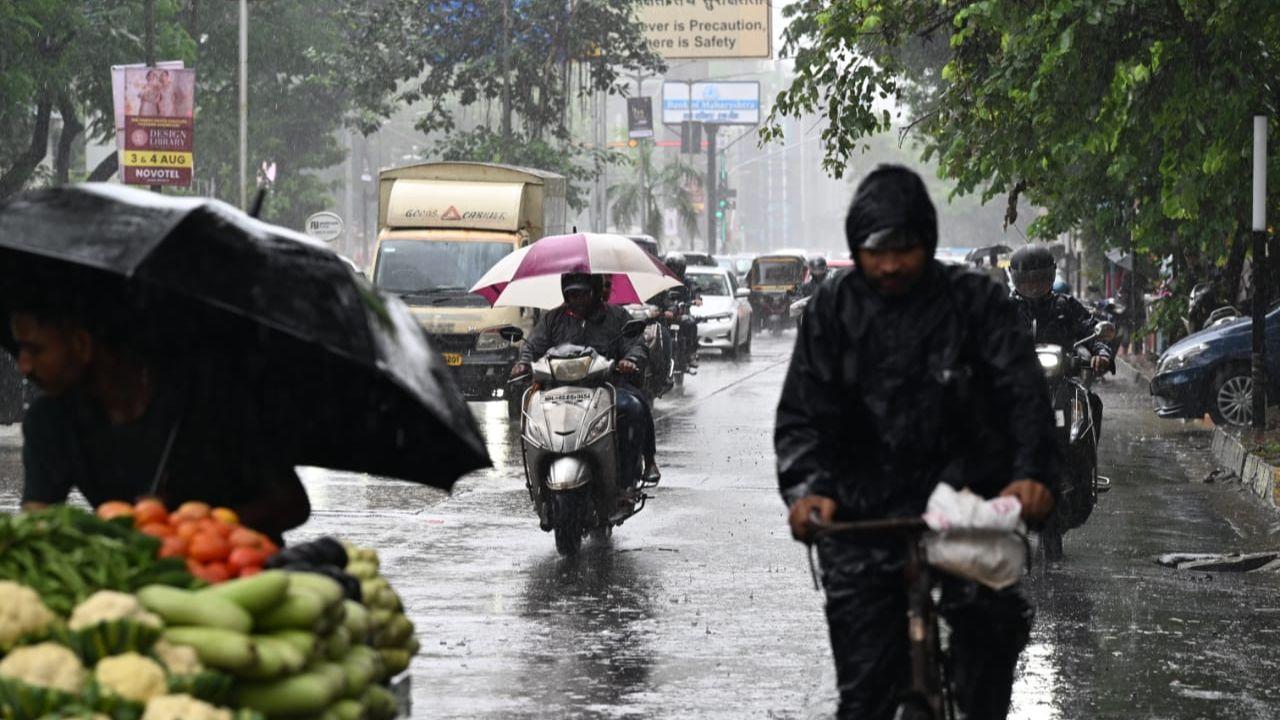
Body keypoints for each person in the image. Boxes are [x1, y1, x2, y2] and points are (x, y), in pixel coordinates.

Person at [775, 165, 1060, 720]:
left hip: (967, 504)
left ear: (925, 243)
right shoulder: (833, 310)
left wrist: (1032, 473)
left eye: (903, 249)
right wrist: (809, 489)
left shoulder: (976, 302)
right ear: (856, 248)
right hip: (860, 516)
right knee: (864, 695)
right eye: (874, 251)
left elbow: (1022, 396)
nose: (889, 264)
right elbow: (803, 416)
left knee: (990, 643)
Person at [11, 293, 310, 542]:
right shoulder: (49, 420)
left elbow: (291, 504)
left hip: (235, 567)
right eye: (19, 350)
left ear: (82, 344)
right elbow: (39, 521)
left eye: (35, 350)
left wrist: (192, 529)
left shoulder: (208, 398)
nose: (23, 366)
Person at [511, 273, 660, 486]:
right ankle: (536, 483)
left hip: (608, 386)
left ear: (596, 292)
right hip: (558, 390)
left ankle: (631, 477)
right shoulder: (552, 319)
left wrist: (630, 360)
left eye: (583, 294)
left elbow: (635, 344)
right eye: (572, 294)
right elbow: (533, 346)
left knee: (635, 407)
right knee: (529, 412)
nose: (577, 300)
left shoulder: (617, 316)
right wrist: (523, 363)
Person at [1008, 245, 1113, 375]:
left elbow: (1091, 329)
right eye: (1026, 280)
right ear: (1015, 277)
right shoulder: (1003, 308)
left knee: (1087, 396)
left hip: (1064, 377)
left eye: (1040, 279)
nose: (1034, 286)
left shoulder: (1066, 305)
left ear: (1051, 275)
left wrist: (1101, 354)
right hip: (1014, 380)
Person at [658, 252, 700, 371]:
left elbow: (694, 288)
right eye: (671, 267)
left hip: (682, 312)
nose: (673, 270)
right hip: (666, 313)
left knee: (691, 323)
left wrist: (696, 298)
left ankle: (691, 353)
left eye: (676, 267)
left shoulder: (686, 281)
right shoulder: (662, 281)